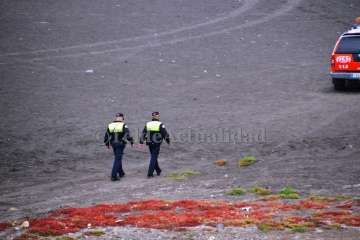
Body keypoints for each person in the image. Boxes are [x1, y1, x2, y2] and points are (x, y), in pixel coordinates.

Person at [104, 113, 134, 181]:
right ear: (122, 118)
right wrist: (131, 141)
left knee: (118, 157)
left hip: (113, 144)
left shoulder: (110, 125)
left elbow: (106, 136)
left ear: (116, 118)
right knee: (117, 159)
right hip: (120, 144)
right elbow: (127, 135)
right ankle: (113, 175)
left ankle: (121, 173)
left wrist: (107, 144)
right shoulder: (123, 125)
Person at [140, 111, 170, 178]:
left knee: (154, 156)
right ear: (157, 116)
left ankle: (158, 170)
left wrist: (141, 142)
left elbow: (143, 133)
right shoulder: (160, 124)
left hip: (149, 143)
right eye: (158, 116)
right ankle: (150, 173)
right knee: (153, 157)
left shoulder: (148, 124)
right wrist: (168, 141)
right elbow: (165, 134)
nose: (159, 117)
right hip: (156, 143)